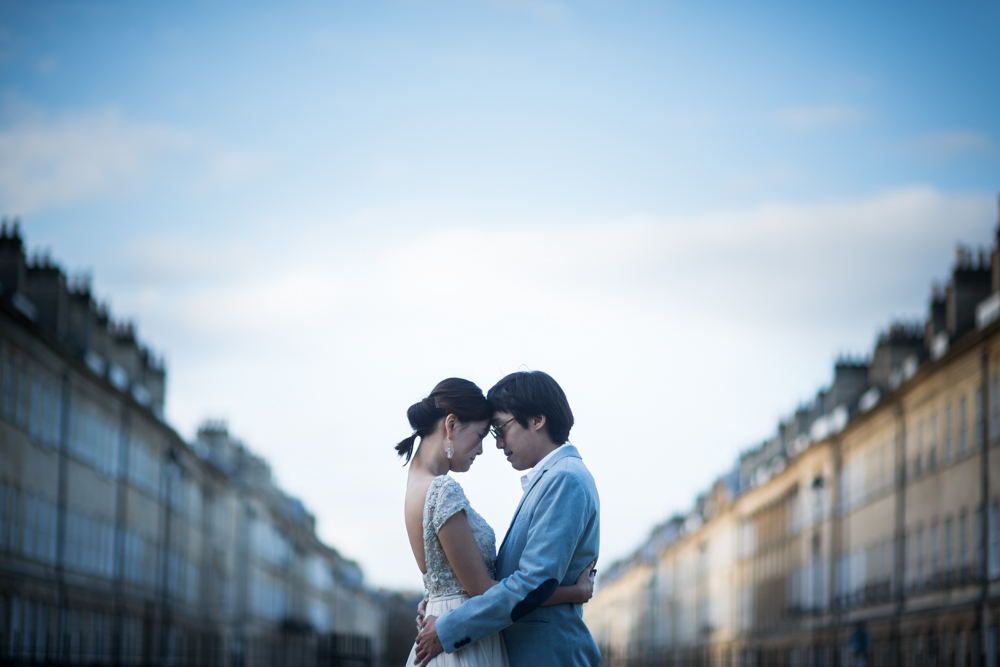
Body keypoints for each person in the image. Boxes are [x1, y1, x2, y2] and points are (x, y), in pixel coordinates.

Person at [398, 378, 595, 667]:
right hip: (466, 644)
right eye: (486, 434)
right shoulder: (440, 489)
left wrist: (446, 614)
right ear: (450, 426)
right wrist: (576, 592)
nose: (495, 445)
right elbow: (490, 586)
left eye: (500, 429)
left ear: (538, 420)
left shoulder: (564, 479)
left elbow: (531, 583)